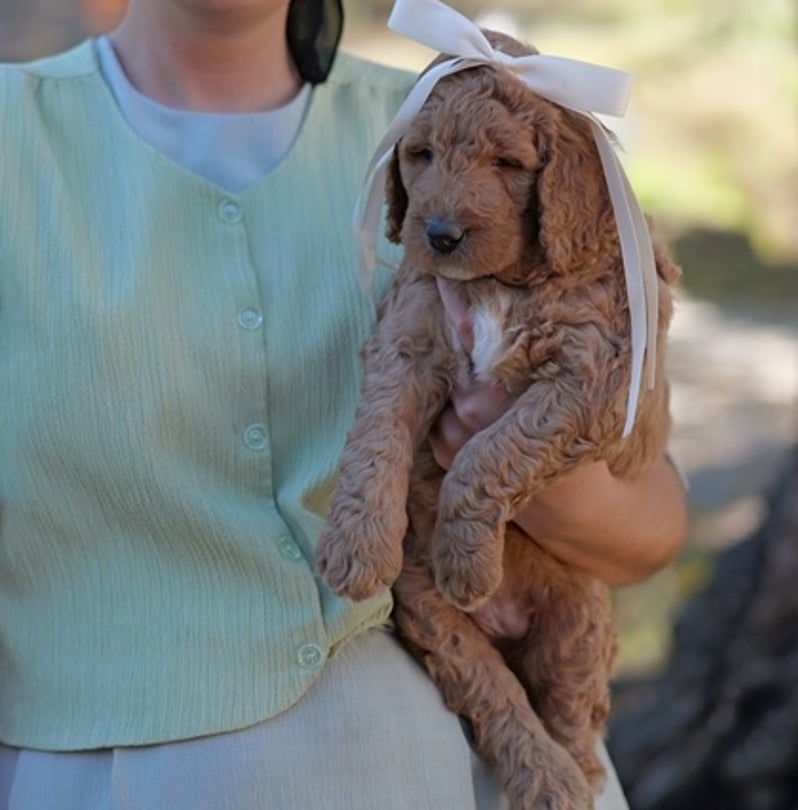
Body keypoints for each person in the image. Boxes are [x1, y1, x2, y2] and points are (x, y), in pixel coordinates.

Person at [0, 0, 688, 807]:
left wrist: (525, 471)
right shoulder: (18, 138)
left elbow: (651, 522)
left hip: (491, 771)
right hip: (114, 774)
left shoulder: (443, 117)